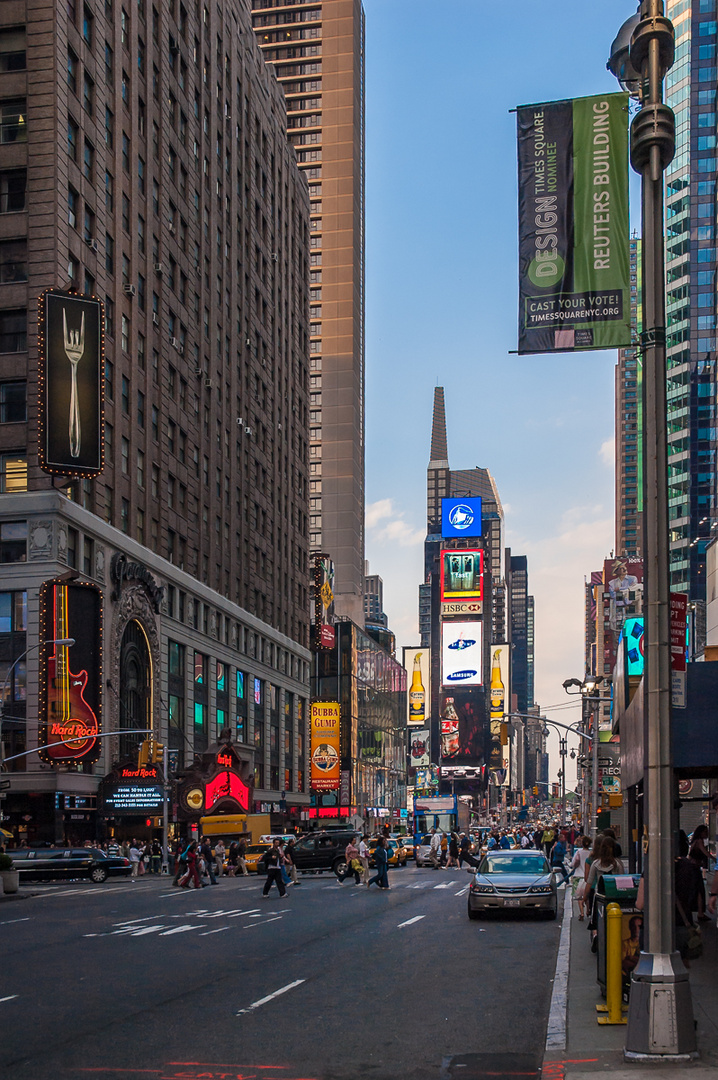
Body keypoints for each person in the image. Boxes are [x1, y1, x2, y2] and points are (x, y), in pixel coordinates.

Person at [689, 824, 711, 921]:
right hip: (695, 868)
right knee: (699, 891)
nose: (707, 834)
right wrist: (714, 858)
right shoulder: (699, 841)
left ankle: (699, 912)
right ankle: (700, 913)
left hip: (693, 868)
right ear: (701, 832)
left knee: (697, 891)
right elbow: (705, 853)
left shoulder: (695, 841)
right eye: (705, 832)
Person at [571, 836, 592, 920]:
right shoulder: (591, 854)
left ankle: (581, 913)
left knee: (579, 897)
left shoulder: (578, 852)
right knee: (586, 896)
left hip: (578, 876)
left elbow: (572, 864)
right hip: (588, 877)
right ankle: (588, 910)